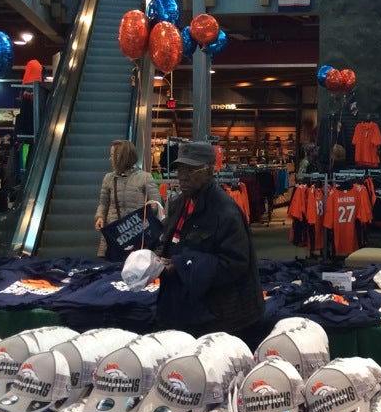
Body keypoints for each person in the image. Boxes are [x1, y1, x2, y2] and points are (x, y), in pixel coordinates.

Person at [155, 141, 264, 343]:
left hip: (219, 321)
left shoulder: (225, 211)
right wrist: (155, 258)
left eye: (191, 170)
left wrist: (181, 265)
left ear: (209, 171)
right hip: (187, 312)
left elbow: (235, 264)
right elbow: (172, 241)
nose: (182, 176)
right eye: (180, 169)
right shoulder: (181, 202)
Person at [94, 140, 161, 259]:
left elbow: (156, 203)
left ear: (122, 157)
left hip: (137, 234)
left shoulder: (145, 177)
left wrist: (144, 216)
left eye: (112, 155)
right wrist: (100, 217)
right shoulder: (109, 178)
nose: (110, 159)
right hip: (115, 233)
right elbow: (103, 203)